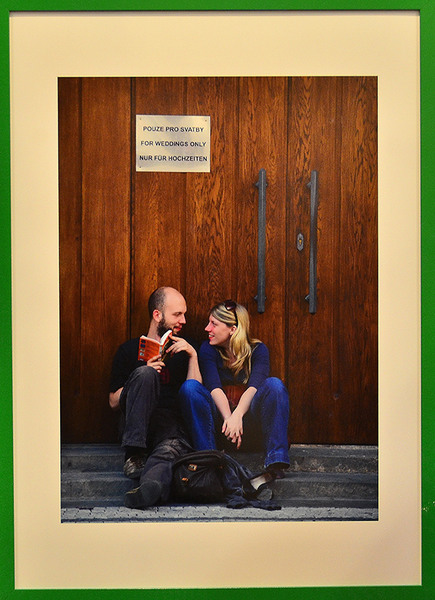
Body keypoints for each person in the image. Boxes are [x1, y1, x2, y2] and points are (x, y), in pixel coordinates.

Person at [109, 286, 201, 509]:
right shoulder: (128, 350)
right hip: (136, 426)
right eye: (177, 314)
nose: (184, 320)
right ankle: (134, 455)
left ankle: (149, 488)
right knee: (146, 374)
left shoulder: (184, 349)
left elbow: (196, 392)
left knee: (167, 452)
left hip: (169, 427)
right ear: (157, 315)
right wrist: (141, 375)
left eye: (184, 314)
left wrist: (192, 356)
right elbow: (113, 402)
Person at [179, 300, 290, 478]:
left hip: (248, 429)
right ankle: (207, 459)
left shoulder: (258, 350)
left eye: (214, 324)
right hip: (221, 429)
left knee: (274, 385)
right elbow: (214, 388)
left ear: (233, 329)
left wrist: (237, 416)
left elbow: (253, 388)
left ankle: (276, 459)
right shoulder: (208, 349)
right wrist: (229, 420)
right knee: (190, 388)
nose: (207, 328)